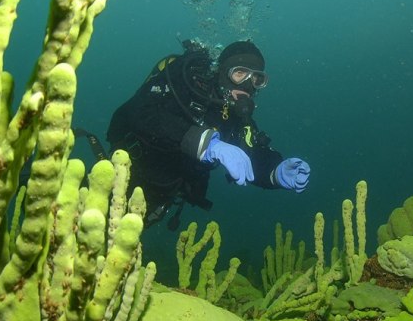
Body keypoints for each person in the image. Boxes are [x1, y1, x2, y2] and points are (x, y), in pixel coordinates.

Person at [106, 39, 310, 229]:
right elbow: (140, 112)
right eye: (240, 73)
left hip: (161, 197)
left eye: (257, 78)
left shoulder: (235, 118)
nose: (248, 84)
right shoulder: (186, 81)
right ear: (222, 72)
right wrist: (204, 143)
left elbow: (250, 153)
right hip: (122, 173)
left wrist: (275, 171)